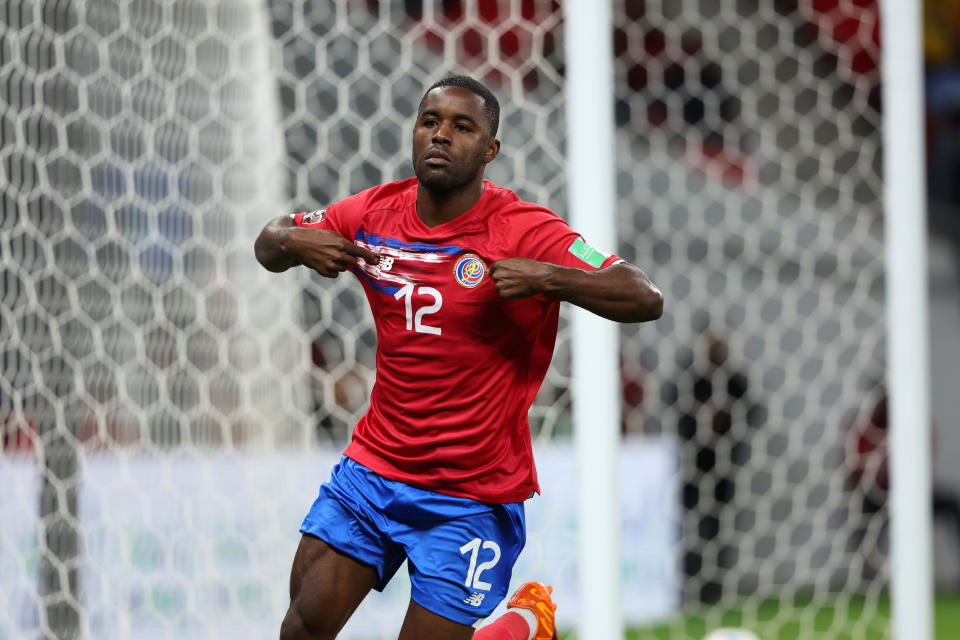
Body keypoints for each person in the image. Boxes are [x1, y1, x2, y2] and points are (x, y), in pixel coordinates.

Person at [255, 74, 663, 640]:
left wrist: (550, 277)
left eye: (461, 126)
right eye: (430, 122)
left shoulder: (524, 230)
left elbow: (643, 295)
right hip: (374, 471)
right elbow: (269, 239)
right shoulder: (373, 212)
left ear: (490, 150)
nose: (441, 136)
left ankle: (520, 625)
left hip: (471, 494)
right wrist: (293, 241)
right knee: (300, 630)